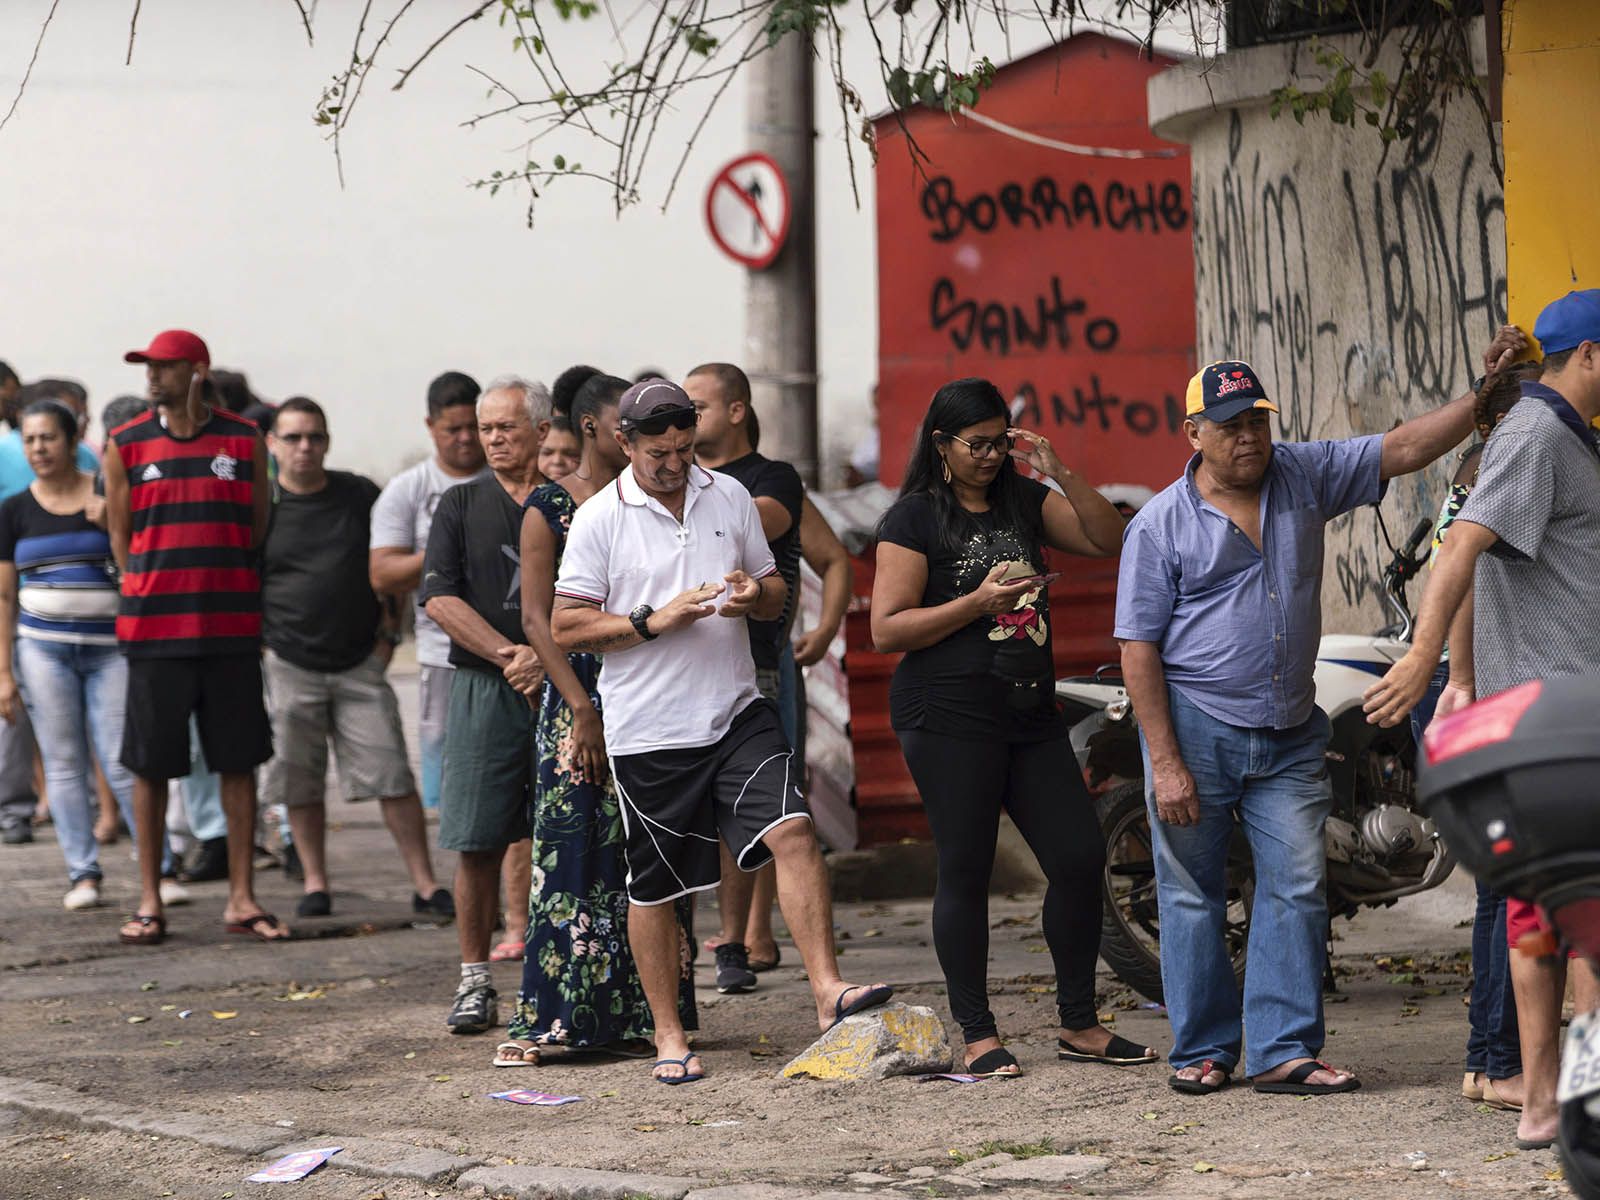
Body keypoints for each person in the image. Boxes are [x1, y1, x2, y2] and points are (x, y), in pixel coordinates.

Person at [1116, 333, 1522, 1097]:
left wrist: (1480, 403)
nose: (1249, 438)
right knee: (1193, 896)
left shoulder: (1300, 474)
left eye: (1258, 422)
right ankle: (1202, 1049)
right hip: (1197, 728)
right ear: (1193, 434)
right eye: (1231, 425)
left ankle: (1283, 1051)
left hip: (1289, 730)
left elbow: (1399, 449)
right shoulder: (1159, 526)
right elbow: (1138, 650)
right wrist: (1164, 760)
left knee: (1297, 887)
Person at [552, 379, 893, 1084]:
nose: (673, 463)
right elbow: (567, 625)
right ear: (624, 443)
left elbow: (776, 593)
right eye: (657, 453)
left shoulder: (729, 495)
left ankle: (829, 991)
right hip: (649, 729)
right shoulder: (598, 520)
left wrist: (750, 597)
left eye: (682, 448)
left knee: (794, 831)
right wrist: (654, 621)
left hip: (736, 710)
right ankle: (669, 1036)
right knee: (658, 888)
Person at [1365, 293, 1600, 1147]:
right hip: (1558, 718)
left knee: (1541, 913)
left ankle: (1542, 1104)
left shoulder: (1562, 437)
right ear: (1591, 356)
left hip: (1553, 713)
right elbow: (1461, 543)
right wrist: (1430, 662)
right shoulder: (1536, 434)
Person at [871, 377, 1131, 1078]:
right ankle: (979, 1034)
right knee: (967, 866)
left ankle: (1079, 1023)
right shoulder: (914, 519)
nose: (990, 456)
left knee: (1078, 858)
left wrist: (1059, 472)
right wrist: (977, 602)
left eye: (1001, 442)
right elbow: (886, 627)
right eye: (976, 445)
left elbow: (1109, 540)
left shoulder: (1023, 497)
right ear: (941, 445)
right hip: (947, 716)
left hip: (1027, 711)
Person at [494, 372, 698, 1066]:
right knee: (575, 852)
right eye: (624, 423)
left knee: (649, 853)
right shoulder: (549, 506)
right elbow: (534, 617)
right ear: (593, 428)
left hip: (653, 690)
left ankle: (650, 1014)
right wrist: (582, 709)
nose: (638, 438)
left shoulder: (660, 501)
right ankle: (559, 1019)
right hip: (580, 695)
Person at [103, 328, 285, 945]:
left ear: (197, 371)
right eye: (148, 367)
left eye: (166, 366)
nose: (153, 377)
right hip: (154, 631)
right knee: (150, 766)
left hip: (230, 628)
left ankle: (241, 896)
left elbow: (257, 524)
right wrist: (152, 588)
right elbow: (122, 539)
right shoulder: (125, 443)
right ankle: (150, 897)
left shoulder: (243, 438)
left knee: (239, 760)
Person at [258, 397, 453, 919]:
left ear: (327, 441)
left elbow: (388, 563)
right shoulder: (263, 504)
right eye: (294, 437)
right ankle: (315, 882)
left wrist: (389, 636)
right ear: (272, 443)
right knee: (297, 779)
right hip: (289, 662)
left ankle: (426, 882)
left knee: (392, 772)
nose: (305, 448)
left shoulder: (358, 494)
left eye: (315, 437)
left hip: (359, 663)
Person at [1407, 368, 1533, 1116]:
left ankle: (1490, 1064)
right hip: (1474, 686)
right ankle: (1500, 1061)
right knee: (1509, 885)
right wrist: (1462, 676)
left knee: (1498, 886)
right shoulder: (1500, 467)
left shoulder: (1479, 465)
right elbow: (1462, 567)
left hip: (1467, 684)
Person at [421, 376, 550, 1034]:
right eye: (484, 427)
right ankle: (475, 980)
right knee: (474, 837)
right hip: (482, 685)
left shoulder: (569, 503)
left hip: (567, 685)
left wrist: (547, 659)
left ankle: (561, 974)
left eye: (506, 427)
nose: (490, 438)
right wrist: (513, 655)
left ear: (542, 431)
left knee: (569, 832)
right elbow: (439, 598)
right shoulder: (459, 503)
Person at [0, 400, 160, 909]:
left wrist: (113, 516)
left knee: (121, 759)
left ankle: (160, 870)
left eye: (48, 437)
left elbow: (139, 563)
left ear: (72, 441)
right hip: (42, 651)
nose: (39, 448)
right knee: (65, 763)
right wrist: (3, 671)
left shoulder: (106, 493)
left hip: (111, 649)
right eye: (30, 440)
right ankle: (83, 873)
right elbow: (4, 596)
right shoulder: (13, 511)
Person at [684, 362, 804, 993]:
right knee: (685, 807)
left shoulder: (771, 480)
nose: (684, 417)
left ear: (735, 410)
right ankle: (704, 940)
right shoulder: (680, 484)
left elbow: (741, 533)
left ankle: (739, 940)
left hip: (754, 663)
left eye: (697, 405)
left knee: (758, 804)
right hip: (677, 662)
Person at [369, 371, 488, 815]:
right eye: (451, 430)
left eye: (471, 427)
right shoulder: (408, 490)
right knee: (445, 764)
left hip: (512, 646)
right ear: (430, 426)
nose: (464, 439)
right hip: (442, 653)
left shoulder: (507, 480)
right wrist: (446, 550)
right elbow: (382, 574)